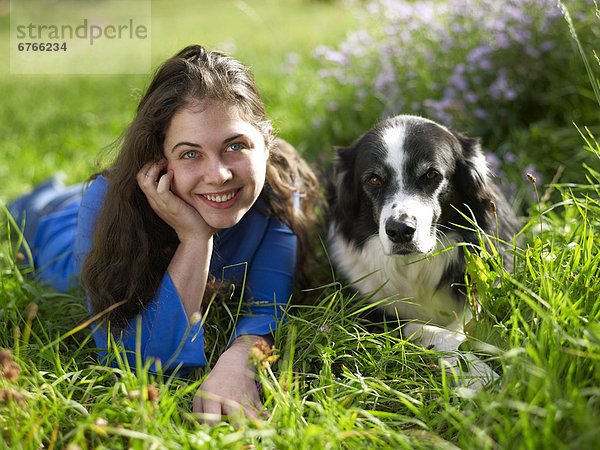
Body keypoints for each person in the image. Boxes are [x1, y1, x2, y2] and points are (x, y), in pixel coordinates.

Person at [7, 44, 321, 423]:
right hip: (60, 229)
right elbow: (136, 360)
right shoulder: (107, 205)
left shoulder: (278, 190)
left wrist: (241, 357)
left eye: (235, 146)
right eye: (190, 153)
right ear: (160, 159)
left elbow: (269, 305)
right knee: (35, 213)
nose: (218, 174)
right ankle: (45, 197)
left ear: (266, 140)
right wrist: (195, 238)